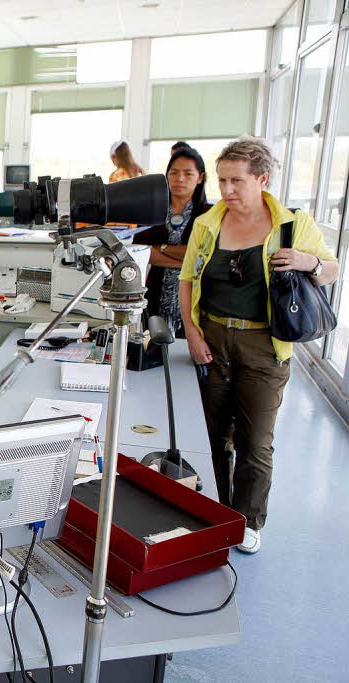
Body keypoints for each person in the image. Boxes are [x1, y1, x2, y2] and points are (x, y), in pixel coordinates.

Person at [179, 136, 338, 554]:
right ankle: (213, 509)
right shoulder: (207, 223)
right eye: (221, 180)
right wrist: (192, 334)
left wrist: (308, 261)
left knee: (255, 439)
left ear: (262, 179)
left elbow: (332, 269)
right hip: (212, 338)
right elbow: (187, 281)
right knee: (211, 433)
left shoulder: (291, 225)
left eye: (236, 181)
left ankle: (248, 519)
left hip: (265, 345)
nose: (226, 190)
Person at [133, 146, 212, 337]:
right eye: (174, 172)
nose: (180, 178)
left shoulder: (209, 214)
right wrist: (188, 260)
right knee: (152, 344)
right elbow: (141, 251)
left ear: (200, 177)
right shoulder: (152, 211)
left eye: (188, 173)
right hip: (156, 294)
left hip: (196, 299)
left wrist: (162, 247)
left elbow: (206, 254)